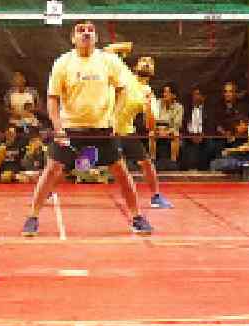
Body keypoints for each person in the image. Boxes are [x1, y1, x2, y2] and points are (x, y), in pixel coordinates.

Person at [21, 21, 153, 236]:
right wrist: (58, 127)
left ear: (96, 37)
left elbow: (121, 91)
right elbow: (52, 99)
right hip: (71, 128)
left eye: (90, 30)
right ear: (73, 38)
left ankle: (137, 216)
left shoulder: (108, 61)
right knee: (52, 170)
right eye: (81, 30)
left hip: (102, 129)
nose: (86, 33)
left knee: (121, 171)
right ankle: (32, 217)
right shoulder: (63, 63)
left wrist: (115, 117)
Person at [109, 51, 173, 209]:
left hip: (126, 131)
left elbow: (150, 126)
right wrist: (124, 47)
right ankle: (50, 187)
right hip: (105, 127)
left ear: (153, 71)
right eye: (143, 61)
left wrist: (149, 108)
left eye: (150, 62)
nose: (146, 63)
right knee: (80, 159)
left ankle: (156, 197)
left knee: (146, 163)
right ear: (134, 66)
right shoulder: (124, 74)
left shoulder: (148, 93)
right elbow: (108, 52)